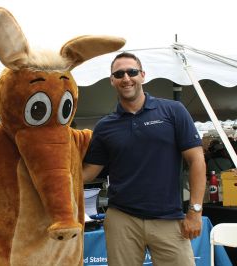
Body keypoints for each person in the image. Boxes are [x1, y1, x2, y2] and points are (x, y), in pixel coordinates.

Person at [83, 52, 207, 265]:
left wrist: (195, 211)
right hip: (123, 219)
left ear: (143, 75)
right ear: (112, 80)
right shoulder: (105, 127)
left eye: (132, 72)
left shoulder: (172, 110)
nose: (126, 78)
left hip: (168, 218)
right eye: (119, 74)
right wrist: (51, 172)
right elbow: (88, 173)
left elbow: (197, 160)